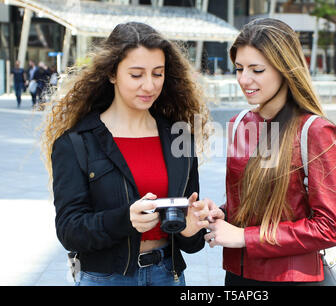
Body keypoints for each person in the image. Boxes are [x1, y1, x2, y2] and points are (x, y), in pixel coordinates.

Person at [40, 22, 211, 286]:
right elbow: (69, 230)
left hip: (168, 275)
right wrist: (125, 220)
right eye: (136, 75)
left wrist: (192, 228)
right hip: (105, 279)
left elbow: (191, 242)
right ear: (112, 73)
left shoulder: (179, 137)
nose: (149, 85)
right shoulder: (76, 142)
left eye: (158, 73)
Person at [205, 18, 336, 286]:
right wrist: (224, 214)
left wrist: (243, 237)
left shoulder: (315, 131)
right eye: (239, 68)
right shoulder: (240, 124)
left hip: (291, 278)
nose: (244, 80)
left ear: (285, 69)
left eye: (257, 70)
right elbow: (255, 200)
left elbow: (331, 228)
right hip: (236, 276)